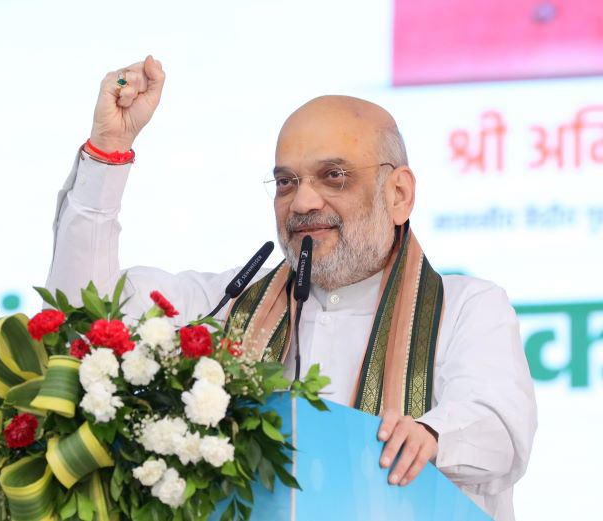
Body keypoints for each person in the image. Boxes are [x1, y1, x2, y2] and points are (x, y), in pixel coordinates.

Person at [46, 55, 537, 521]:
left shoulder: (466, 308)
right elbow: (85, 319)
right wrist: (107, 152)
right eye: (286, 182)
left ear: (399, 194)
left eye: (334, 176)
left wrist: (429, 434)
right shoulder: (224, 309)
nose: (302, 202)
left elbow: (499, 424)